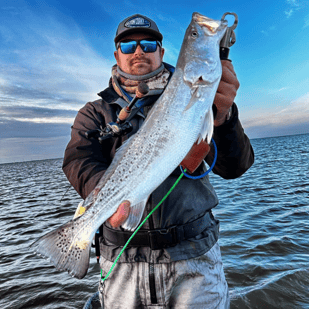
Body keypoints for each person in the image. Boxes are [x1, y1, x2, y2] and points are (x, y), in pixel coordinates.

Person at [62, 14, 254, 309]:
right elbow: (78, 160)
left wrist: (224, 118)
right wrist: (103, 195)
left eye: (148, 44)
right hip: (122, 263)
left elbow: (235, 167)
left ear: (162, 53)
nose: (139, 51)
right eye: (128, 46)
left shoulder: (201, 95)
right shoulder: (94, 112)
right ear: (117, 55)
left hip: (195, 258)